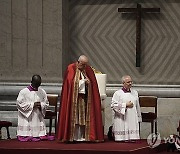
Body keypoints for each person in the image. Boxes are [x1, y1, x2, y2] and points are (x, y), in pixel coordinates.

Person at [57, 55, 104, 142]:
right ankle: (73, 136)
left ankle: (85, 136)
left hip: (85, 99)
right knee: (75, 117)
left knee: (83, 118)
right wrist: (82, 82)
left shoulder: (88, 69)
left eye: (85, 65)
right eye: (82, 65)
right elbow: (69, 82)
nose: (84, 67)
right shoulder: (71, 68)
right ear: (78, 62)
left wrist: (88, 83)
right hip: (73, 99)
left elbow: (93, 84)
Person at [16, 74, 54, 141]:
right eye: (36, 83)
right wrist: (32, 105)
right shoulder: (24, 92)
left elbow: (46, 103)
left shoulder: (42, 91)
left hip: (38, 113)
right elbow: (19, 104)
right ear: (32, 81)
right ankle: (27, 135)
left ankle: (38, 134)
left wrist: (41, 105)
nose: (38, 85)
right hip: (27, 115)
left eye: (39, 83)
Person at [111, 75, 142, 142]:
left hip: (132, 116)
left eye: (131, 82)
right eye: (128, 82)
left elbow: (137, 106)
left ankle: (132, 137)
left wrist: (139, 116)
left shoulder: (135, 92)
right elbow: (113, 105)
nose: (130, 83)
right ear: (123, 83)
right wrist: (125, 105)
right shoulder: (118, 93)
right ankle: (123, 137)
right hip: (122, 117)